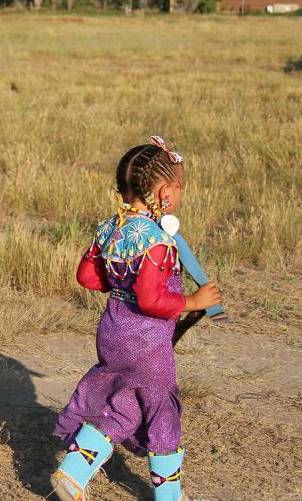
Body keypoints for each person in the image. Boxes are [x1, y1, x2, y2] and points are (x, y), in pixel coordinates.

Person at [50, 136, 222, 501]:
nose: (180, 194)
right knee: (161, 411)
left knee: (124, 403)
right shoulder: (157, 241)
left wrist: (119, 281)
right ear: (164, 193)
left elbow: (88, 277)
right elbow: (151, 299)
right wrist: (194, 300)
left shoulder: (109, 228)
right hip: (146, 342)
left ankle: (73, 474)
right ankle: (169, 497)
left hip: (113, 331)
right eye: (180, 187)